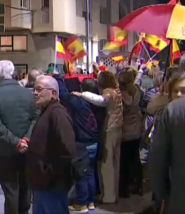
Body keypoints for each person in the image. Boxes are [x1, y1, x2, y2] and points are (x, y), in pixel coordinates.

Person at [0, 60, 38, 214]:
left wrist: (15, 142)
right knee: (25, 188)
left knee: (10, 191)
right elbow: (36, 117)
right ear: (14, 73)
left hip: (4, 151)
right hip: (27, 149)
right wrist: (25, 139)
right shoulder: (28, 94)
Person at [149, 69, 185, 214]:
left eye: (184, 91)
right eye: (175, 91)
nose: (179, 95)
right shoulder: (165, 113)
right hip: (174, 188)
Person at [26, 75, 76, 214]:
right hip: (42, 184)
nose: (35, 93)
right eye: (34, 89)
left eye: (40, 89)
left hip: (52, 185)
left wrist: (48, 173)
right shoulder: (46, 111)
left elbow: (68, 150)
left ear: (53, 93)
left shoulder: (58, 114)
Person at [72, 71, 123, 204]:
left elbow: (102, 101)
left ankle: (109, 196)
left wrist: (83, 94)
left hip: (110, 129)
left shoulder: (108, 92)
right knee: (115, 162)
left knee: (107, 164)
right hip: (118, 129)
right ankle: (113, 194)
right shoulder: (116, 90)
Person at [58, 78, 100, 212]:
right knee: (90, 173)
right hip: (94, 141)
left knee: (81, 173)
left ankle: (81, 203)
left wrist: (57, 76)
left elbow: (63, 94)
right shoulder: (98, 102)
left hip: (83, 142)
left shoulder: (79, 102)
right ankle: (91, 201)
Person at [117, 70, 143, 198]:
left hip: (125, 132)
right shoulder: (137, 91)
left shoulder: (119, 96)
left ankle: (123, 189)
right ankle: (138, 185)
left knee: (124, 162)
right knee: (135, 159)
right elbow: (137, 80)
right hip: (137, 130)